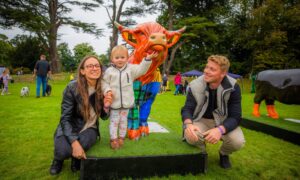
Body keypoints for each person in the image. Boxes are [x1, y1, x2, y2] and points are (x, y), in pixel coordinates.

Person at [49, 55, 112, 175]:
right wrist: (74, 143)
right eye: (89, 66)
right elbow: (65, 119)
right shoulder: (72, 87)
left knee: (84, 143)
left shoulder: (103, 88)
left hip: (90, 127)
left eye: (97, 65)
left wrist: (106, 106)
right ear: (82, 71)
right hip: (71, 125)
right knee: (63, 151)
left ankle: (76, 159)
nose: (94, 68)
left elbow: (104, 117)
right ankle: (58, 159)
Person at [181, 55, 245, 169]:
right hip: (201, 120)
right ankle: (202, 152)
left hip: (223, 120)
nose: (206, 71)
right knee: (191, 136)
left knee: (237, 142)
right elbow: (187, 108)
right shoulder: (195, 84)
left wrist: (220, 130)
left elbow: (236, 116)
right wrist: (189, 124)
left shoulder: (233, 86)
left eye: (212, 69)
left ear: (223, 73)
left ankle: (224, 153)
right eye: (206, 67)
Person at [102, 45, 157, 149]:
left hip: (127, 104)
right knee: (114, 122)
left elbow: (141, 70)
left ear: (127, 58)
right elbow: (104, 83)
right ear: (112, 59)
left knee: (124, 122)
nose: (120, 60)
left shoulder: (131, 69)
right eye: (117, 57)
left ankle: (121, 138)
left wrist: (147, 59)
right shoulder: (109, 71)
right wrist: (107, 90)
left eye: (122, 57)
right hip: (114, 103)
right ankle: (113, 139)